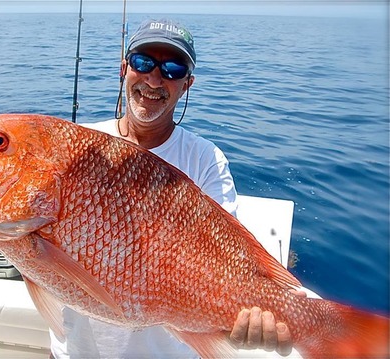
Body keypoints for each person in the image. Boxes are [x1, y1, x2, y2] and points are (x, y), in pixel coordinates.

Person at [50, 18, 301, 358]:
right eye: (142, 62)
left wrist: (252, 318)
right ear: (124, 68)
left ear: (187, 84)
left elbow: (229, 261)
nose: (154, 79)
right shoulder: (78, 146)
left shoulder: (206, 160)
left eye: (172, 68)